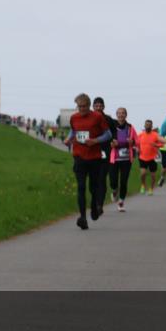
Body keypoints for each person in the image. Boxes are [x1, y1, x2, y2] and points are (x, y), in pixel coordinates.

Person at [65, 93, 111, 230]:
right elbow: (73, 132)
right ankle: (83, 217)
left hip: (94, 157)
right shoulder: (74, 118)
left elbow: (108, 134)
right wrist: (68, 140)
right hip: (79, 156)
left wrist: (95, 141)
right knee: (81, 187)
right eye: (79, 106)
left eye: (84, 106)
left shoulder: (97, 117)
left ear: (89, 105)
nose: (82, 109)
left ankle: (94, 208)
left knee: (93, 187)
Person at [108, 107, 137, 212]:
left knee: (124, 181)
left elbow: (136, 141)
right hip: (114, 159)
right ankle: (114, 191)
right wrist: (111, 144)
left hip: (126, 159)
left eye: (123, 113)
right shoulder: (112, 128)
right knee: (113, 181)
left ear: (126, 115)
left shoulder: (130, 127)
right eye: (119, 113)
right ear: (116, 115)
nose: (121, 115)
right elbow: (107, 140)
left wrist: (132, 142)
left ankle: (121, 202)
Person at [92, 97, 117, 210]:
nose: (98, 107)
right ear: (93, 107)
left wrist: (114, 140)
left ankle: (100, 204)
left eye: (100, 105)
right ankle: (95, 200)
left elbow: (114, 132)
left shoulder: (108, 119)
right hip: (91, 151)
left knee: (102, 178)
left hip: (105, 151)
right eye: (96, 105)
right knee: (94, 179)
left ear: (103, 107)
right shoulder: (89, 118)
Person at [136, 120, 163, 195]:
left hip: (152, 158)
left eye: (149, 125)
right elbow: (136, 143)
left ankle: (151, 188)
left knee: (153, 176)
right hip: (142, 157)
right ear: (144, 126)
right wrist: (137, 148)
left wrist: (156, 145)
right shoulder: (140, 135)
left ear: (151, 126)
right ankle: (143, 185)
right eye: (146, 125)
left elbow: (162, 144)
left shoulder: (155, 135)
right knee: (143, 173)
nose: (148, 126)